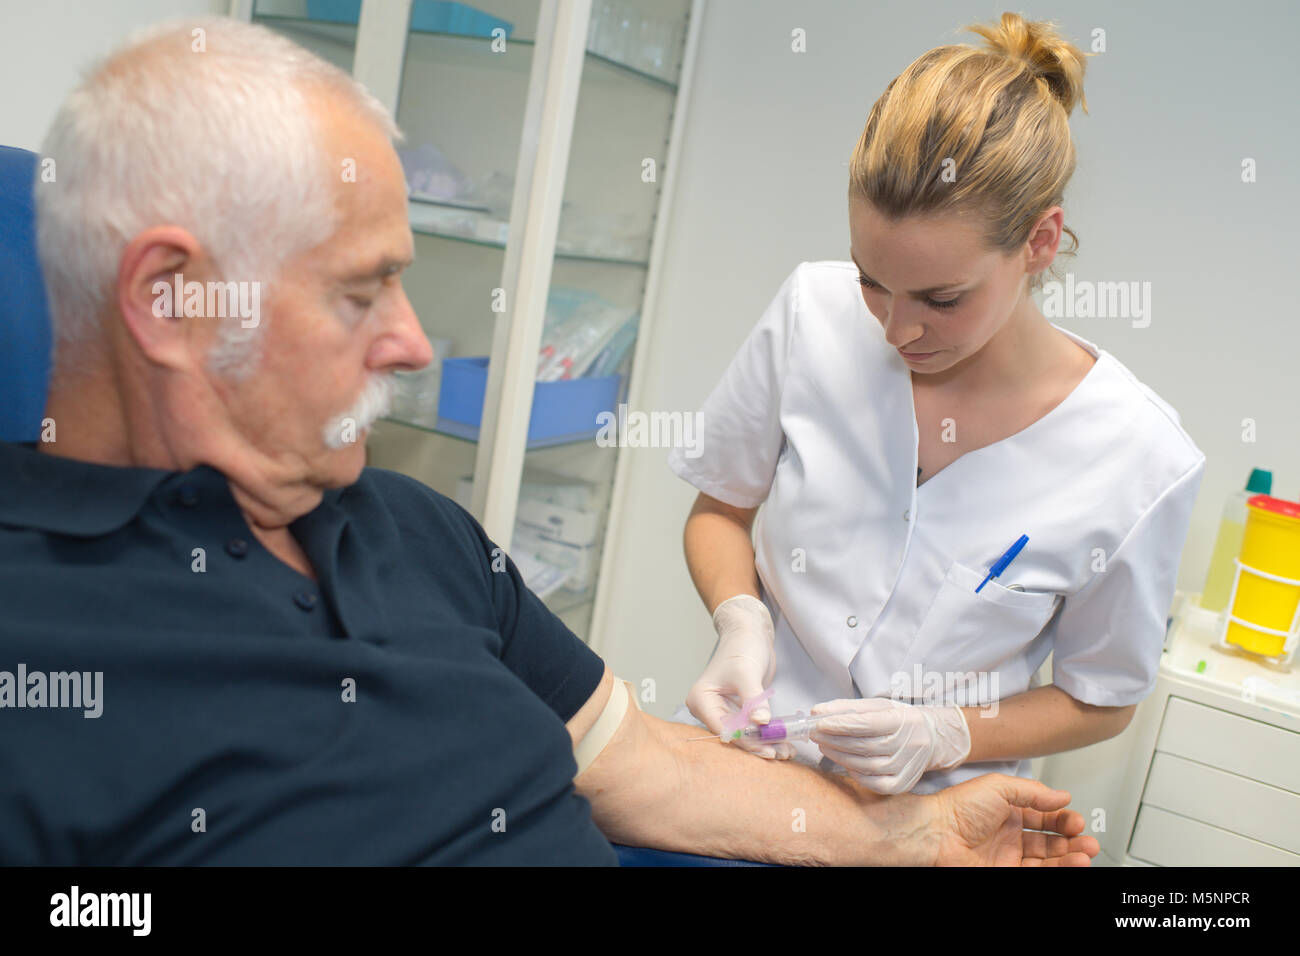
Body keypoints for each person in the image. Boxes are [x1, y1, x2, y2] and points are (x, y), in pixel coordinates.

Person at [0, 17, 1098, 866]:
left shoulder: (416, 529)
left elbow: (644, 764)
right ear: (172, 298)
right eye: (360, 291)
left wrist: (914, 833)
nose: (413, 343)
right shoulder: (39, 644)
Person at [670, 13, 1204, 795]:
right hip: (749, 762)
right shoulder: (812, 314)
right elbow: (720, 510)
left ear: (1040, 242)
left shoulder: (1138, 457)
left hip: (933, 818)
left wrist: (945, 733)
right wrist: (739, 619)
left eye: (941, 299)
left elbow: (1101, 700)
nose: (896, 329)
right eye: (872, 281)